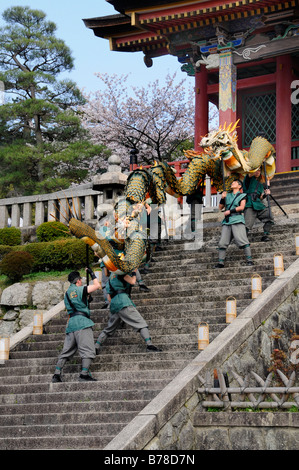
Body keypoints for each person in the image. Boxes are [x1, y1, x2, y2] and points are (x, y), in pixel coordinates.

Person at [52, 267, 101, 383]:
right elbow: (97, 286)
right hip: (82, 323)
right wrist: (92, 274)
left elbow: (74, 305)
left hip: (71, 324)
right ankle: (84, 374)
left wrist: (86, 300)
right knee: (88, 349)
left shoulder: (67, 293)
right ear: (78, 280)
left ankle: (56, 374)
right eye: (81, 280)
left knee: (67, 351)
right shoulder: (80, 289)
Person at [95, 269, 162, 354]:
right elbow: (133, 281)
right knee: (141, 323)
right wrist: (134, 272)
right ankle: (149, 345)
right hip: (124, 302)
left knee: (109, 329)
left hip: (114, 305)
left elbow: (109, 298)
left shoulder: (109, 279)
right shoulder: (120, 273)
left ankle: (96, 346)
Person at [214, 179, 253, 268]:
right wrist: (222, 198)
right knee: (222, 242)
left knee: (242, 239)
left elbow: (242, 207)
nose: (232, 183)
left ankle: (249, 260)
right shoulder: (227, 195)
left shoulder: (243, 195)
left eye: (235, 182)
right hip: (227, 221)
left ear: (239, 186)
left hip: (237, 219)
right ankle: (221, 262)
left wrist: (230, 211)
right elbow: (220, 207)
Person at [242, 168, 274, 241]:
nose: (258, 172)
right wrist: (255, 167)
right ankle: (243, 240)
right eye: (256, 170)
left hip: (259, 205)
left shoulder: (259, 184)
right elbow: (249, 175)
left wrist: (266, 194)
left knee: (269, 217)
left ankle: (266, 235)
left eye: (259, 170)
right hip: (249, 205)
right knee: (247, 225)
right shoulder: (248, 180)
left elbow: (261, 197)